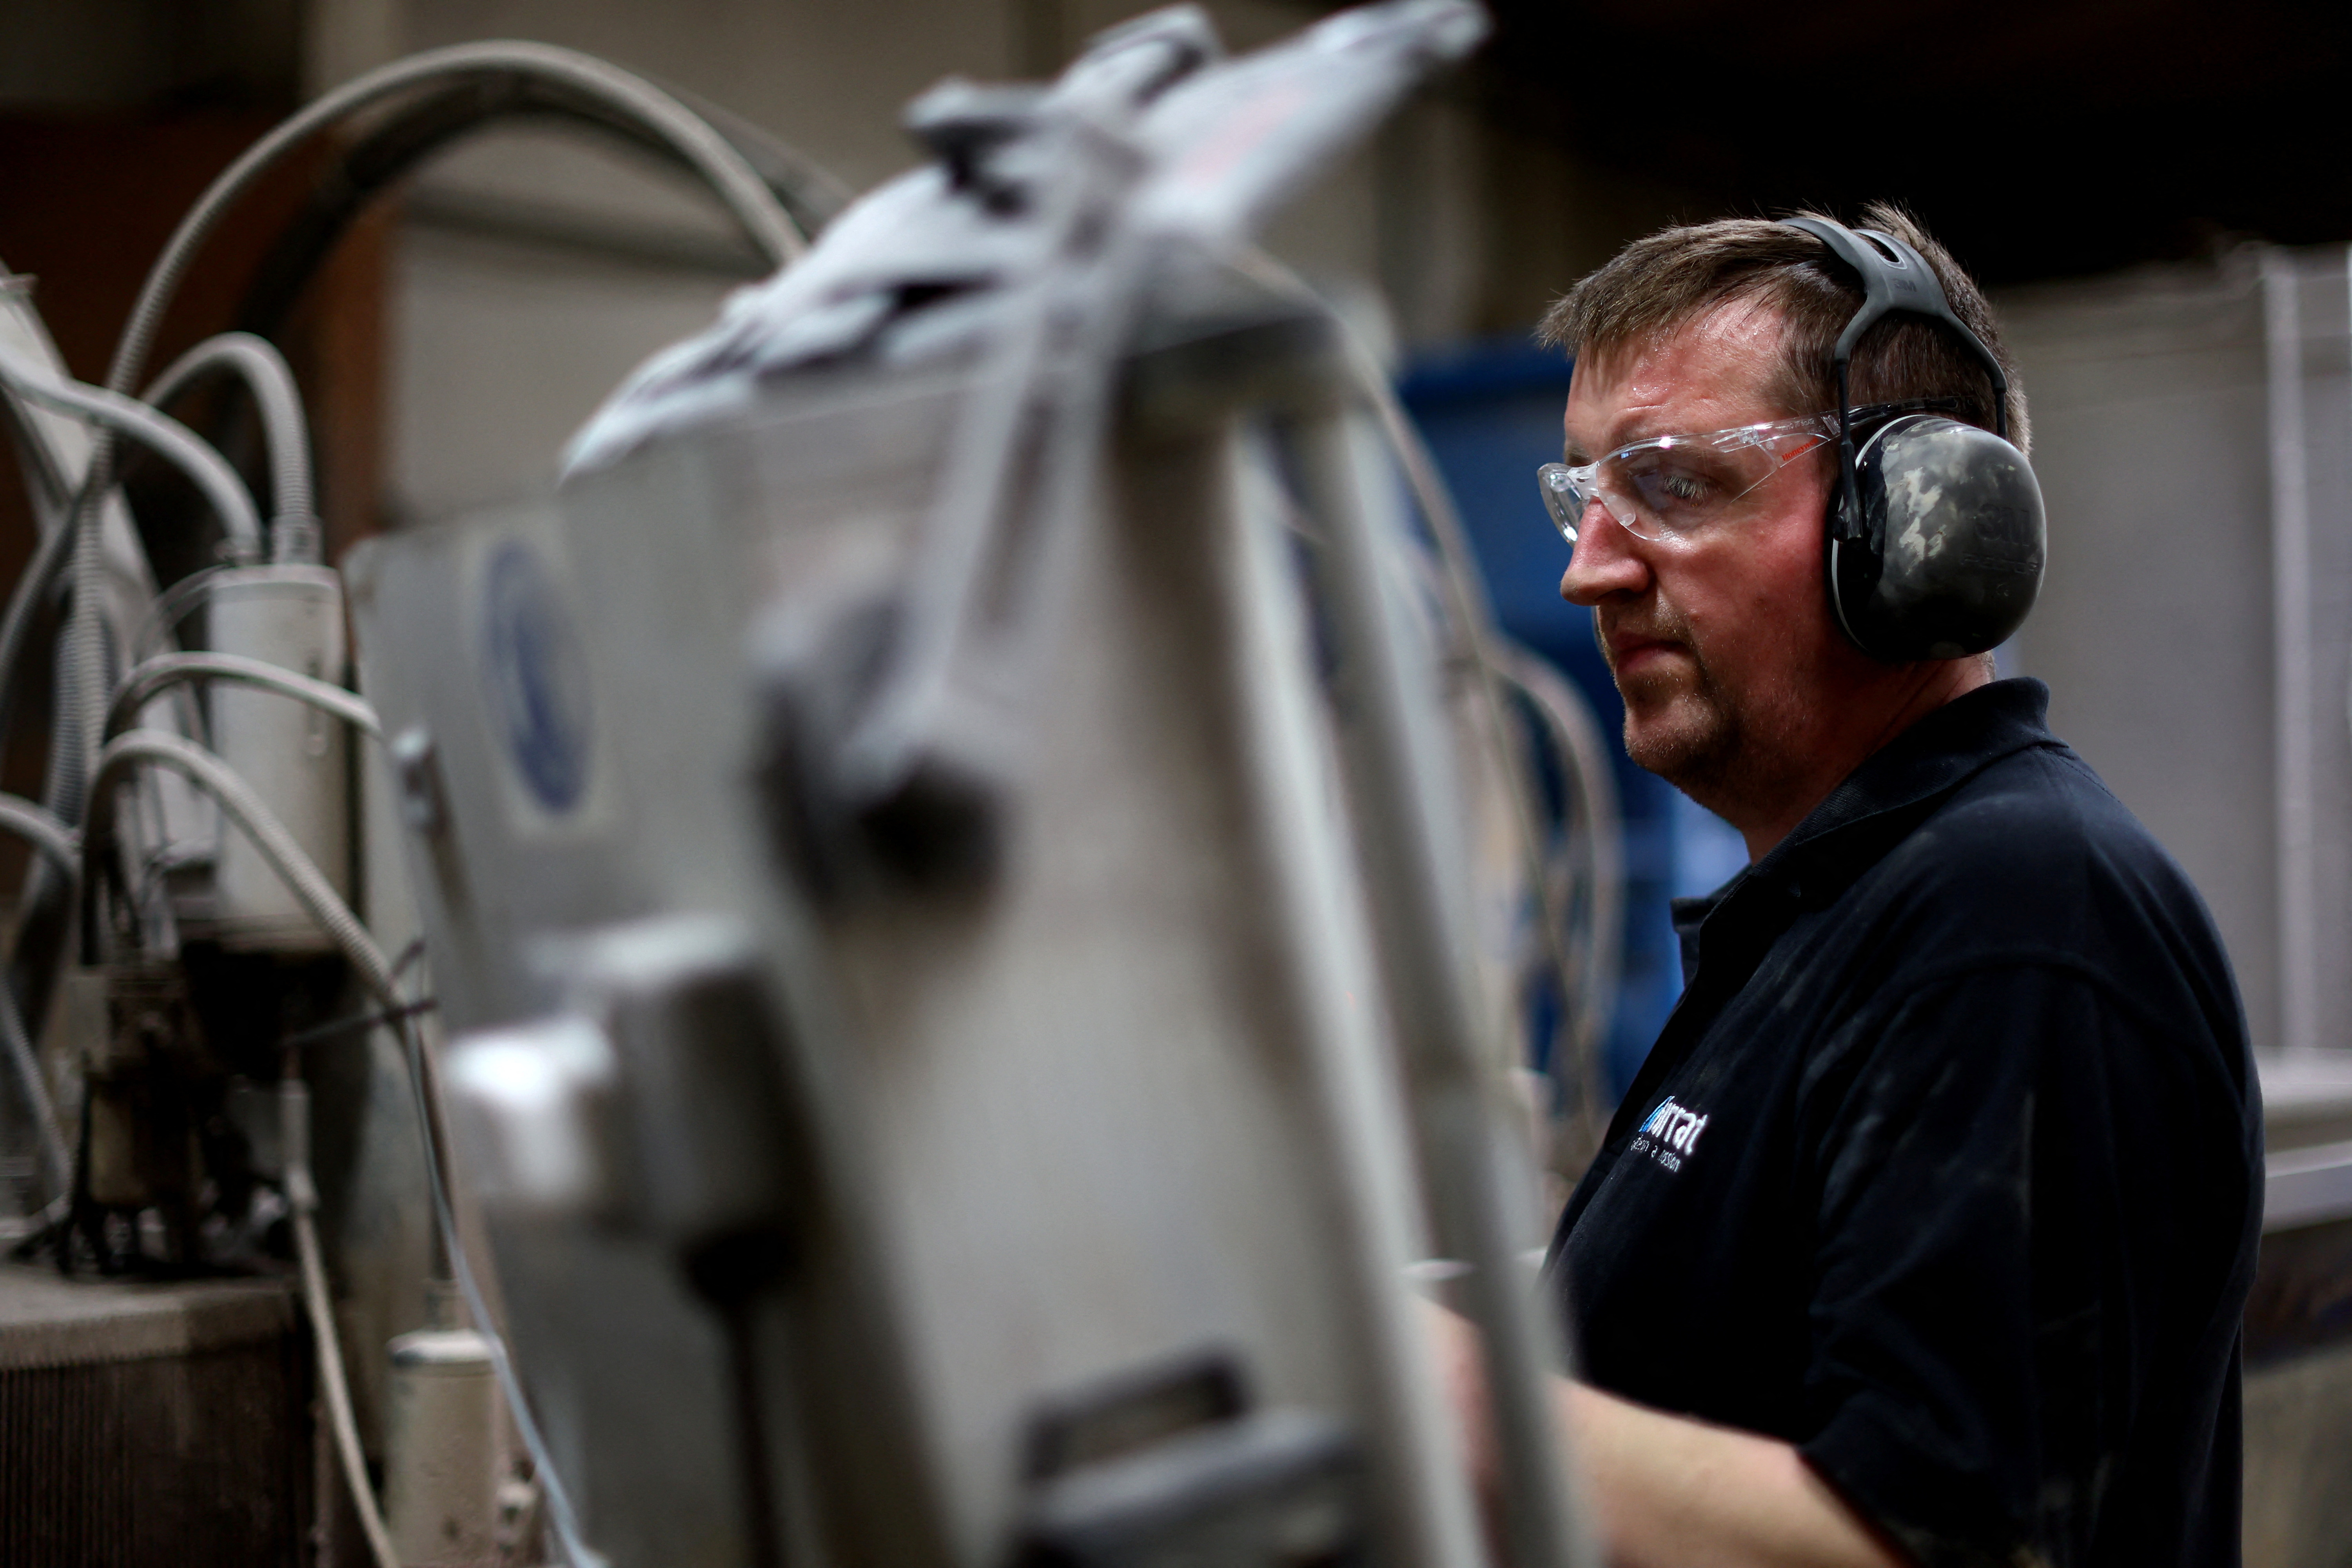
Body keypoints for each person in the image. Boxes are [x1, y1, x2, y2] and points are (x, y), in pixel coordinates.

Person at [1432, 206, 2263, 1568]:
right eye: (1584, 495)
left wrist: (1431, 1387)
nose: (1589, 569)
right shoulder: (1827, 915)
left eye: (1677, 485)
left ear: (1924, 523)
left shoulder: (2018, 912)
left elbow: (1931, 1542)